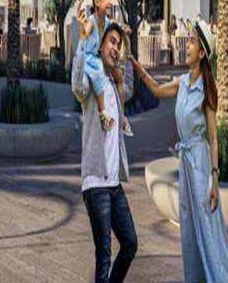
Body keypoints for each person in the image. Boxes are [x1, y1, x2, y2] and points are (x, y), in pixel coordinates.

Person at [130, 21, 228, 282]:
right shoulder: (181, 82)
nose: (186, 45)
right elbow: (156, 89)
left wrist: (215, 178)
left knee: (207, 227)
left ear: (202, 52)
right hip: (186, 164)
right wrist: (135, 64)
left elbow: (213, 138)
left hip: (201, 162)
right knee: (189, 228)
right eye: (188, 40)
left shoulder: (207, 89)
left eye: (191, 41)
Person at [74, 20, 137, 283]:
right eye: (111, 42)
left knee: (130, 243)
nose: (116, 48)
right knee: (103, 256)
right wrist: (82, 40)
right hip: (96, 183)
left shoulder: (114, 85)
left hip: (113, 184)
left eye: (118, 44)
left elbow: (130, 87)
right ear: (99, 48)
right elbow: (78, 86)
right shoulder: (91, 84)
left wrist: (130, 50)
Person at [75, 0, 133, 137]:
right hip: (90, 60)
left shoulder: (107, 22)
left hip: (99, 59)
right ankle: (103, 113)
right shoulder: (92, 22)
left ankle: (122, 116)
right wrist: (82, 27)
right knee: (100, 73)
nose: (111, 2)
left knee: (120, 76)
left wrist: (124, 29)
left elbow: (117, 26)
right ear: (97, 1)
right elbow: (85, 32)